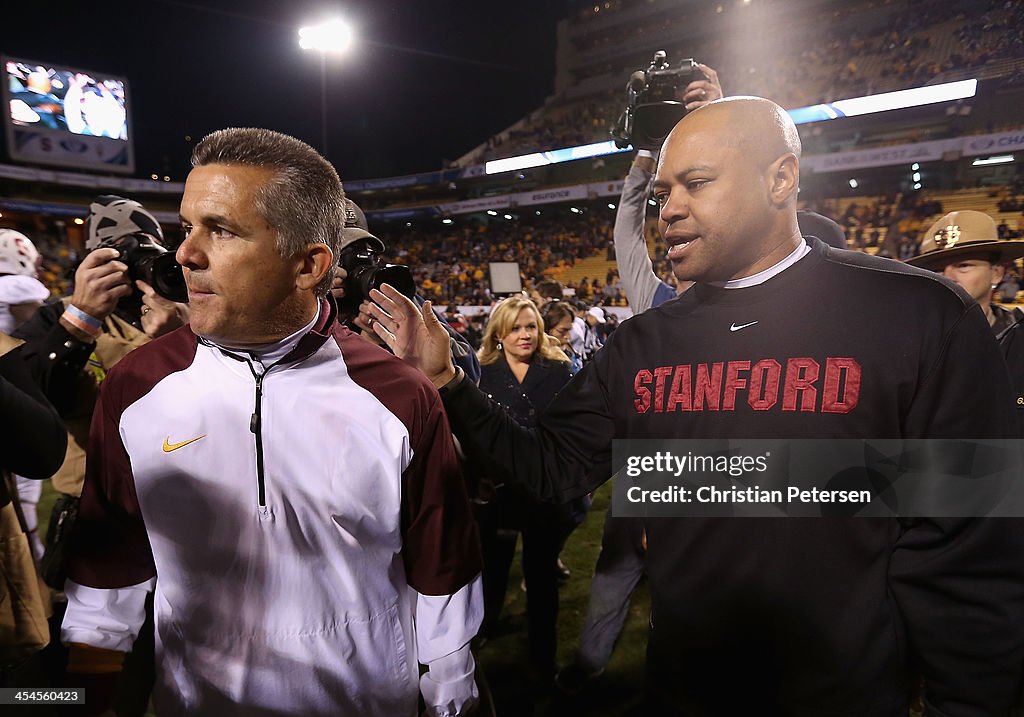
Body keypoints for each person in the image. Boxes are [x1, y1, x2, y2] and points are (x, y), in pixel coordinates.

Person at [367, 97, 1024, 715]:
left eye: (697, 183)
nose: (670, 210)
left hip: (842, 693)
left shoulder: (919, 314)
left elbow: (968, 553)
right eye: (662, 194)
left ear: (780, 178)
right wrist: (448, 380)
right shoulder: (646, 341)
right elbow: (548, 467)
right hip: (684, 690)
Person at [60, 128, 483, 717]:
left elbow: (443, 569)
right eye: (187, 228)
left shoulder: (398, 394)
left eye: (222, 230)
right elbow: (110, 570)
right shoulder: (135, 387)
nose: (185, 254)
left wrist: (452, 696)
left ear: (309, 265)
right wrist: (82, 696)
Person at [471, 297, 571, 682]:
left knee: (542, 577)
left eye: (530, 326)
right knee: (492, 570)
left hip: (544, 493)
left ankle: (544, 656)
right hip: (498, 494)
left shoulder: (559, 369)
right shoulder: (482, 372)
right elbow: (472, 431)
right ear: (499, 334)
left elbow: (568, 429)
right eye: (515, 328)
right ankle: (483, 632)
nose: (525, 335)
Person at [906, 209, 1024, 431]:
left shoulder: (1020, 339)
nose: (948, 277)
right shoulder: (904, 346)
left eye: (963, 265)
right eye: (938, 270)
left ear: (997, 273)